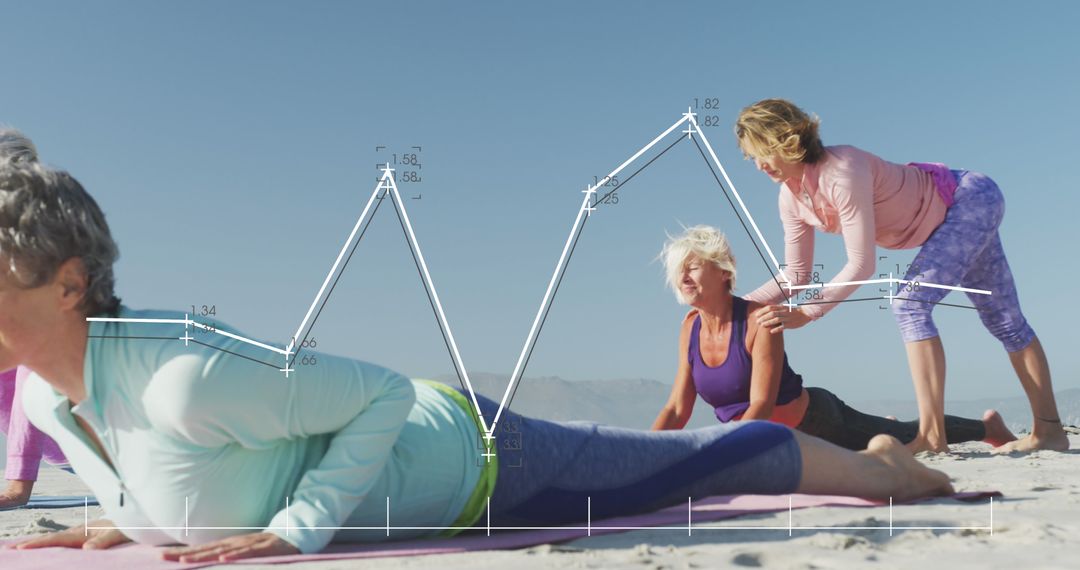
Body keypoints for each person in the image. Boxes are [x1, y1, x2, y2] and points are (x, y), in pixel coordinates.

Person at [0, 159, 952, 563]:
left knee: (701, 464)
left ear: (70, 283)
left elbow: (373, 396)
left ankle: (887, 469)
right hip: (454, 458)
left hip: (476, 459)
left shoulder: (183, 374)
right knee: (679, 459)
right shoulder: (49, 400)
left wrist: (297, 528)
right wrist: (127, 511)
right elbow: (164, 473)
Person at [734, 99, 1068, 454]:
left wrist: (808, 312)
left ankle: (933, 437)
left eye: (762, 152)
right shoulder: (790, 199)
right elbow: (796, 275)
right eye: (751, 156)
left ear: (785, 140)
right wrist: (733, 308)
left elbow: (862, 264)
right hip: (952, 217)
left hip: (968, 200)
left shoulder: (841, 171)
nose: (758, 165)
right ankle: (1050, 433)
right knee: (1005, 321)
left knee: (910, 304)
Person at [651, 225, 1016, 451]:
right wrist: (648, 448)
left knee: (903, 436)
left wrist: (724, 450)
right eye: (677, 270)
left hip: (817, 424)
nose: (683, 277)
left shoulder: (759, 320)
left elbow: (761, 405)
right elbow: (677, 408)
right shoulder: (690, 326)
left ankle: (988, 428)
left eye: (693, 266)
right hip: (759, 440)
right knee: (887, 433)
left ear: (722, 270)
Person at [0, 128, 68, 508]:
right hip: (65, 452)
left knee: (34, 352)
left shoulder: (45, 242)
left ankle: (19, 484)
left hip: (94, 439)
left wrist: (18, 487)